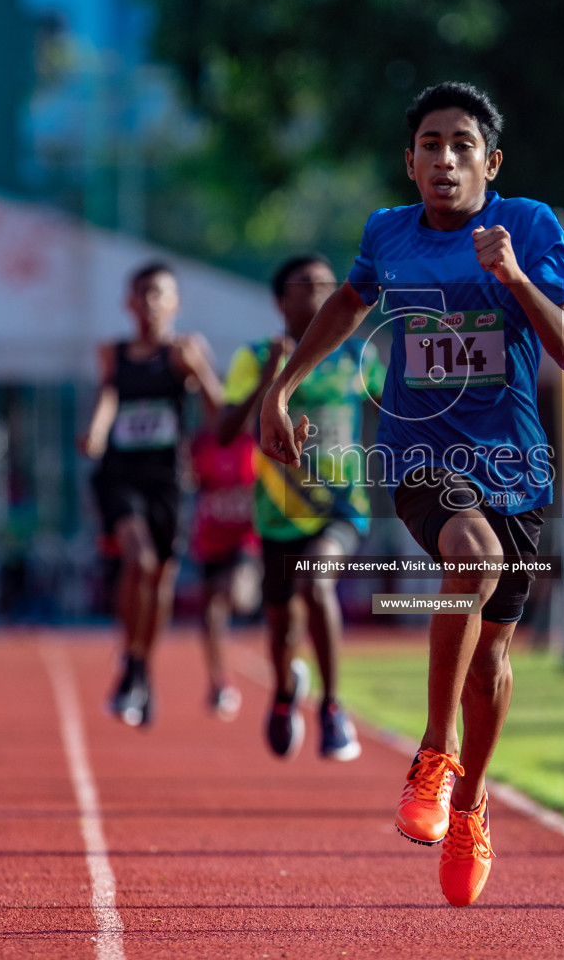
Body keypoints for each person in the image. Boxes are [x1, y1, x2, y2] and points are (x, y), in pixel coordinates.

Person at [258, 84, 564, 906]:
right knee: (468, 559)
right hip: (419, 457)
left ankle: (472, 802)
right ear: (409, 163)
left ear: (492, 161)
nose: (445, 159)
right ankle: (433, 755)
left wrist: (513, 276)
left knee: (495, 662)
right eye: (431, 145)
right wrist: (283, 390)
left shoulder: (533, 228)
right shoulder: (386, 234)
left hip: (515, 467)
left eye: (463, 145)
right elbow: (346, 302)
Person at [221, 253, 383, 761]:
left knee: (318, 583)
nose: (320, 290)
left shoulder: (360, 356)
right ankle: (285, 693)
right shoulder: (254, 356)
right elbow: (225, 431)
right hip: (279, 511)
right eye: (307, 283)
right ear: (280, 299)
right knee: (280, 623)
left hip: (342, 506)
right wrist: (270, 380)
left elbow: (395, 411)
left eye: (326, 283)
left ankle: (333, 708)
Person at [81, 261, 224, 727]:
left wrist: (200, 370)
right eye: (141, 294)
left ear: (174, 303)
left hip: (166, 480)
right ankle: (131, 658)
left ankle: (141, 667)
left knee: (160, 579)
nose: (149, 303)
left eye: (158, 294)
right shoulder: (114, 352)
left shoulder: (184, 351)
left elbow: (220, 414)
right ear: (129, 302)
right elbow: (108, 397)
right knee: (138, 561)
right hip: (120, 475)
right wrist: (97, 433)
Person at [187, 424, 260, 720]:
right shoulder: (203, 445)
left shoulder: (252, 445)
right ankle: (219, 682)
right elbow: (191, 481)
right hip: (211, 543)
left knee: (239, 596)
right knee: (211, 614)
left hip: (244, 542)